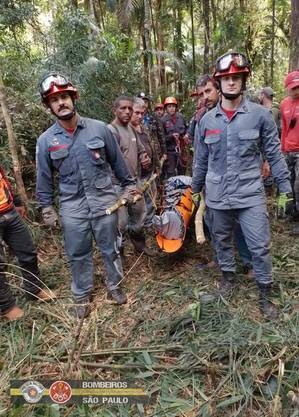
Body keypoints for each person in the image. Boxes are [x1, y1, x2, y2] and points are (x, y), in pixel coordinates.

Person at [192, 52, 293, 319]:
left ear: (244, 80)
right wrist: (194, 190)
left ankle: (265, 293)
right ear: (219, 82)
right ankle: (227, 279)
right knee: (222, 242)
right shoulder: (206, 121)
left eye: (236, 77)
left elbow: (274, 153)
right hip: (217, 196)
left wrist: (286, 188)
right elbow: (200, 160)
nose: (232, 83)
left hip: (250, 195)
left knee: (259, 246)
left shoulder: (260, 116)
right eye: (226, 78)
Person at [36, 73, 135, 317]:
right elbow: (44, 178)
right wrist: (46, 207)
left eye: (64, 97)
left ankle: (115, 286)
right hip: (72, 206)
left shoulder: (99, 129)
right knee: (77, 252)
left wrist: (129, 187)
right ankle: (81, 295)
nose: (61, 103)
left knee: (110, 247)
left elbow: (118, 163)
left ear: (73, 97)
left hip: (104, 202)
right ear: (48, 105)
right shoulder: (46, 141)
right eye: (54, 99)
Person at [0, 167, 55, 321]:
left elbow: (2, 179)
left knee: (27, 252)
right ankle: (7, 307)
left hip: (8, 211)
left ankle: (33, 288)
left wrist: (16, 202)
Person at [108, 96, 154, 256]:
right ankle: (119, 254)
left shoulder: (131, 128)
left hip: (134, 182)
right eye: (123, 108)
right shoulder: (111, 131)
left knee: (140, 215)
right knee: (120, 223)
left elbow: (140, 148)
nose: (127, 112)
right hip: (117, 185)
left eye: (129, 108)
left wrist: (143, 156)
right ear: (114, 110)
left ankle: (139, 246)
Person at [130, 98, 160, 230]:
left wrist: (157, 166)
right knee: (138, 205)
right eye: (137, 113)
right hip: (136, 176)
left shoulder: (144, 128)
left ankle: (149, 224)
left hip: (149, 173)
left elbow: (153, 147)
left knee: (152, 199)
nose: (140, 116)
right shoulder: (124, 131)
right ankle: (137, 229)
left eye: (142, 113)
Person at [280, 70, 299, 236]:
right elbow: (284, 128)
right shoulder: (284, 104)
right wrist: (282, 148)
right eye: (293, 87)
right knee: (289, 182)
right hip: (288, 150)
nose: (296, 90)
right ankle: (292, 213)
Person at [161, 96, 189, 177]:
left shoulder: (181, 117)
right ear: (166, 108)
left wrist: (186, 135)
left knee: (182, 170)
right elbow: (161, 139)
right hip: (170, 151)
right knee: (170, 172)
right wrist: (171, 136)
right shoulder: (163, 120)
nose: (172, 108)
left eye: (173, 106)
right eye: (169, 106)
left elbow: (187, 129)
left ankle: (183, 188)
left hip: (182, 150)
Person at [137, 92, 167, 158]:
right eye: (141, 101)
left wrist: (164, 152)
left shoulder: (154, 118)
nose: (144, 104)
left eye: (145, 102)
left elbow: (161, 135)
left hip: (156, 153)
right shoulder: (133, 118)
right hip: (140, 154)